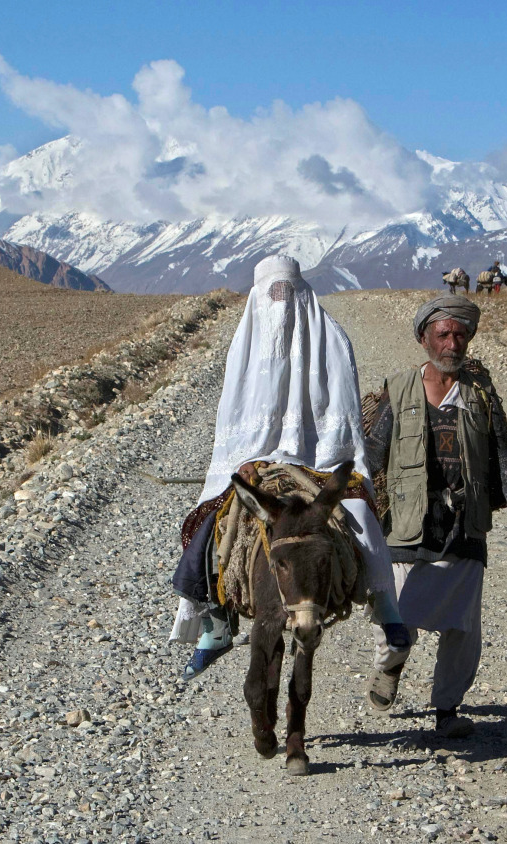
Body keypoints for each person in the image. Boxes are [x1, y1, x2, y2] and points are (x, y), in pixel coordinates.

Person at [169, 255, 409, 679]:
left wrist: (325, 454)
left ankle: (383, 604)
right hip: (255, 462)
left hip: (320, 458)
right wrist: (243, 463)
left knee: (359, 514)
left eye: (287, 290)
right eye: (272, 291)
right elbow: (235, 417)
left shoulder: (332, 338)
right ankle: (216, 622)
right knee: (206, 523)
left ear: (301, 291)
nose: (280, 300)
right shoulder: (244, 344)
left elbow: (343, 411)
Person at [362, 293, 507, 737]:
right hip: (408, 524)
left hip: (465, 525)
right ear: (424, 339)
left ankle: (446, 710)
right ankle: (389, 668)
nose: (453, 343)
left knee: (462, 628)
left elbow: (506, 459)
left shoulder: (480, 394)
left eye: (460, 334)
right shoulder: (400, 389)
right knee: (397, 616)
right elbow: (371, 455)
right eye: (443, 334)